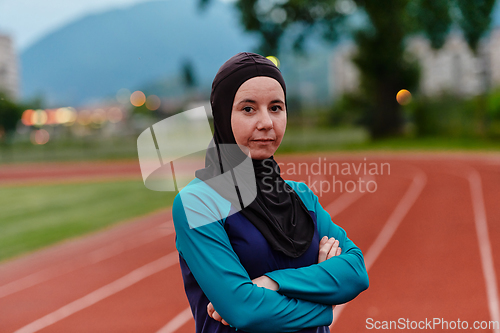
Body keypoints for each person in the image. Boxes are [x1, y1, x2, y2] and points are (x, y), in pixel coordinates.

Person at [172, 52, 369, 333]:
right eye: (248, 109)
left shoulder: (302, 197)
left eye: (276, 107)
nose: (266, 122)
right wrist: (325, 303)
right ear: (222, 114)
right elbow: (244, 311)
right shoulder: (198, 203)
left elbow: (355, 272)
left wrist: (273, 283)